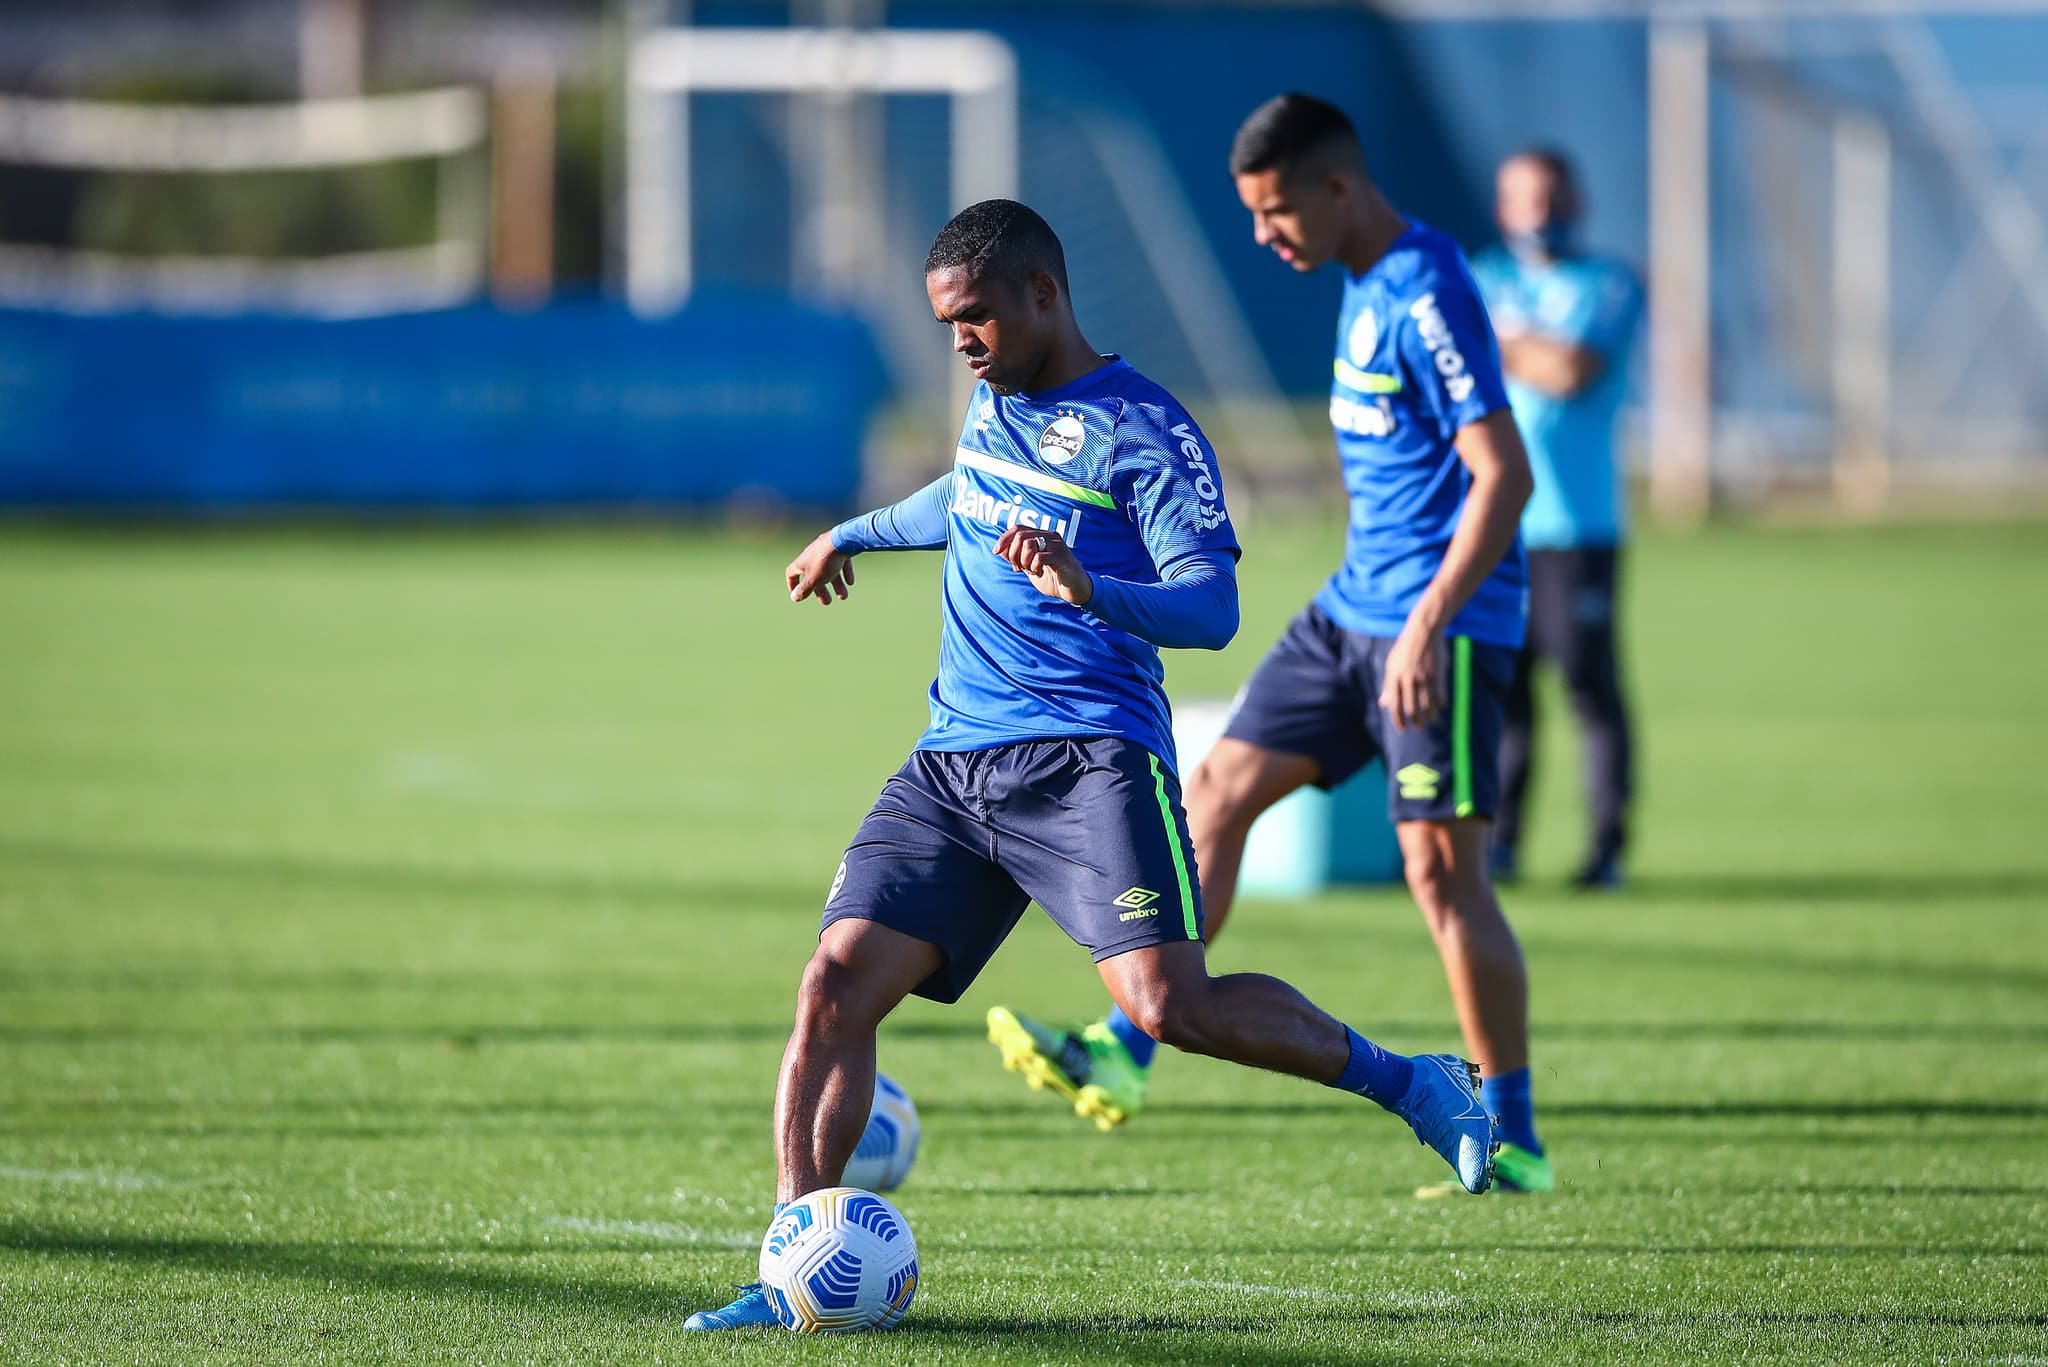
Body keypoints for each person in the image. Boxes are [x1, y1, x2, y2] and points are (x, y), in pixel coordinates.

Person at [684, 198, 1497, 1332]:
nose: (959, 340)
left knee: (1168, 1004)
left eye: (973, 318)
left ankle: (1417, 1082)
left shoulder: (1145, 431)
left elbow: (1210, 606)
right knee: (833, 984)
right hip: (953, 764)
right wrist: (852, 534)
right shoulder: (991, 401)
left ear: (1043, 296)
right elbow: (962, 494)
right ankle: (788, 1265)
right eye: (945, 323)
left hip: (1089, 764)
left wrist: (1087, 585)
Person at [987, 95, 1556, 1197]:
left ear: (1335, 187)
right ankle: (1128, 1044)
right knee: (1217, 790)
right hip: (1348, 612)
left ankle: (1511, 1124)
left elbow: (1504, 476)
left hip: (1440, 627)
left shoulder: (1425, 289)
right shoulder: (1356, 287)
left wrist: (1428, 623)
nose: (1263, 235)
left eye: (1273, 210)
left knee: (1441, 874)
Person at [1470, 148, 1644, 890]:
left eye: (1551, 196)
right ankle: (1501, 845)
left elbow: (1572, 371)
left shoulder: (1607, 283)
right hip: (1490, 523)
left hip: (1577, 526)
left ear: (1577, 200)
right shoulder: (1482, 276)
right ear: (1502, 207)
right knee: (1502, 692)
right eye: (1523, 198)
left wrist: (1496, 342)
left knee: (1587, 683)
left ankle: (1606, 848)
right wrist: (1521, 348)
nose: (1538, 212)